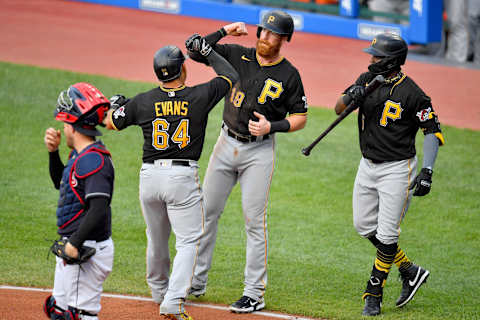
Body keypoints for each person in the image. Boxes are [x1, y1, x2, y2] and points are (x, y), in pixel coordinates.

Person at [103, 40, 239, 320]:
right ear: (183, 70)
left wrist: (117, 105)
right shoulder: (200, 95)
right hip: (181, 177)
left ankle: (158, 291)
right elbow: (231, 76)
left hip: (150, 177)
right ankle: (174, 300)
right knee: (189, 241)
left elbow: (110, 122)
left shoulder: (143, 101)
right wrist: (208, 51)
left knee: (156, 238)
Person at [187, 10, 308, 314]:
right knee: (206, 214)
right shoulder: (235, 55)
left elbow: (300, 117)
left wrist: (273, 127)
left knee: (254, 222)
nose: (265, 38)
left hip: (259, 152)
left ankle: (254, 293)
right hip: (226, 143)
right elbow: (195, 48)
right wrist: (225, 30)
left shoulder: (289, 75)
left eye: (273, 34)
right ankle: (195, 282)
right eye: (263, 32)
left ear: (284, 39)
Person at [334, 33, 445, 316]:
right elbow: (338, 108)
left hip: (397, 169)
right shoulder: (366, 80)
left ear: (392, 61)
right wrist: (351, 96)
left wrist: (427, 171)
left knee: (386, 233)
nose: (371, 60)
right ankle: (409, 270)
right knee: (363, 225)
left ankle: (374, 292)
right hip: (367, 165)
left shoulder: (414, 94)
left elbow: (432, 131)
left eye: (377, 56)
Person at [43, 82, 114, 320]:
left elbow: (99, 209)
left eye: (65, 124)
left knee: (79, 316)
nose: (63, 129)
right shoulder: (81, 155)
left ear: (74, 126)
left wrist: (75, 242)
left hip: (87, 248)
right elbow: (62, 184)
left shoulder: (94, 162)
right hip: (77, 244)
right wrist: (54, 153)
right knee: (58, 311)